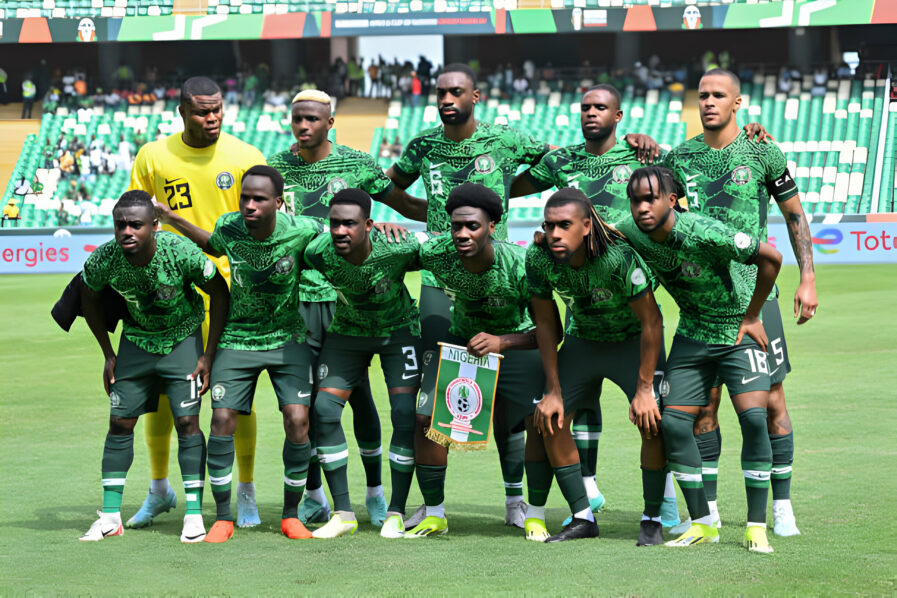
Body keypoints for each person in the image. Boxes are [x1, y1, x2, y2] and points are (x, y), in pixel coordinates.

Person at [386, 63, 549, 528]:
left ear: (475, 96)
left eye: (456, 91)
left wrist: (499, 197)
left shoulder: (506, 140)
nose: (446, 99)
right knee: (438, 393)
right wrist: (424, 218)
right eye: (440, 92)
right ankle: (434, 505)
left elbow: (557, 162)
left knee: (509, 407)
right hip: (441, 277)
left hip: (492, 267)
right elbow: (391, 189)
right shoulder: (422, 146)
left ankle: (516, 501)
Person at [663, 68, 816, 537]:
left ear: (738, 103)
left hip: (757, 299)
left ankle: (782, 507)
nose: (708, 102)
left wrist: (808, 276)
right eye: (702, 95)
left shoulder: (762, 150)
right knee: (703, 410)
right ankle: (706, 511)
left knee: (770, 403)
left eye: (718, 95)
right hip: (702, 305)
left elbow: (794, 215)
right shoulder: (679, 157)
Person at [267, 89, 426, 527]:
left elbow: (397, 203)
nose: (304, 126)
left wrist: (435, 219)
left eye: (312, 119)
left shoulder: (358, 163)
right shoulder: (277, 169)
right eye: (297, 118)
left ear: (329, 122)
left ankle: (375, 494)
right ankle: (316, 495)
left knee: (361, 401)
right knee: (308, 403)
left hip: (344, 303)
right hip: (298, 301)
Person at [617, 165, 783, 553]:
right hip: (693, 334)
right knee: (674, 424)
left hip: (736, 331)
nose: (642, 207)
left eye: (650, 199)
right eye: (636, 200)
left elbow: (771, 258)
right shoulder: (630, 227)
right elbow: (593, 229)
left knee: (755, 420)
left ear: (671, 200)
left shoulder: (704, 232)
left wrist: (754, 314)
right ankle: (704, 523)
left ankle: (756, 527)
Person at [154, 165, 321, 543]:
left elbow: (341, 237)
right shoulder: (230, 226)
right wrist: (170, 217)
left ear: (278, 202)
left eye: (259, 199)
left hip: (286, 338)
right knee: (222, 418)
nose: (249, 205)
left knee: (298, 420)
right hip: (238, 338)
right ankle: (224, 517)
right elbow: (211, 242)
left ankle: (291, 516)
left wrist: (374, 227)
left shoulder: (303, 229)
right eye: (245, 197)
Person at [128, 76, 267, 529]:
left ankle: (244, 493)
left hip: (234, 296)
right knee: (166, 401)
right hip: (174, 298)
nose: (213, 118)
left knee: (234, 401)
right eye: (203, 111)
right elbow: (134, 213)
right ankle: (159, 490)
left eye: (219, 110)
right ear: (182, 110)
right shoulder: (153, 156)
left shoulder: (246, 157)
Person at [413, 183, 571, 540]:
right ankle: (435, 512)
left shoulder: (520, 263)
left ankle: (522, 505)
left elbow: (551, 331)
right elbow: (397, 252)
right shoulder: (438, 253)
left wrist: (503, 341)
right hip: (463, 344)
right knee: (424, 416)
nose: (463, 234)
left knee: (536, 419)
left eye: (473, 226)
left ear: (493, 227)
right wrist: (381, 230)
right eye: (457, 226)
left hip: (517, 343)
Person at [78, 190, 229, 543]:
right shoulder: (104, 260)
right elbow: (87, 296)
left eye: (135, 225)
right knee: (119, 422)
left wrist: (208, 355)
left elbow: (220, 292)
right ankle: (110, 517)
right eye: (120, 226)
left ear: (154, 226)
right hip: (136, 342)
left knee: (188, 422)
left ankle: (193, 515)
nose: (127, 232)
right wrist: (108, 353)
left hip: (182, 340)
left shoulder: (180, 251)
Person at [527, 188, 666, 545]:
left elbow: (652, 322)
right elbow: (545, 324)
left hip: (632, 343)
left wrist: (645, 389)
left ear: (587, 226)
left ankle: (652, 517)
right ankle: (582, 516)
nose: (555, 233)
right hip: (583, 342)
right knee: (551, 419)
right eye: (549, 225)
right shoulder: (539, 258)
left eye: (565, 225)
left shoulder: (618, 258)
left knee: (652, 423)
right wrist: (553, 391)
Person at [303, 189, 423, 539]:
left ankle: (395, 511)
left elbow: (446, 252)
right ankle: (343, 513)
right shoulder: (317, 252)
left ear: (369, 225)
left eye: (350, 224)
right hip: (348, 332)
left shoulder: (400, 247)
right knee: (324, 409)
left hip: (397, 331)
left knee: (404, 413)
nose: (340, 231)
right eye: (334, 223)